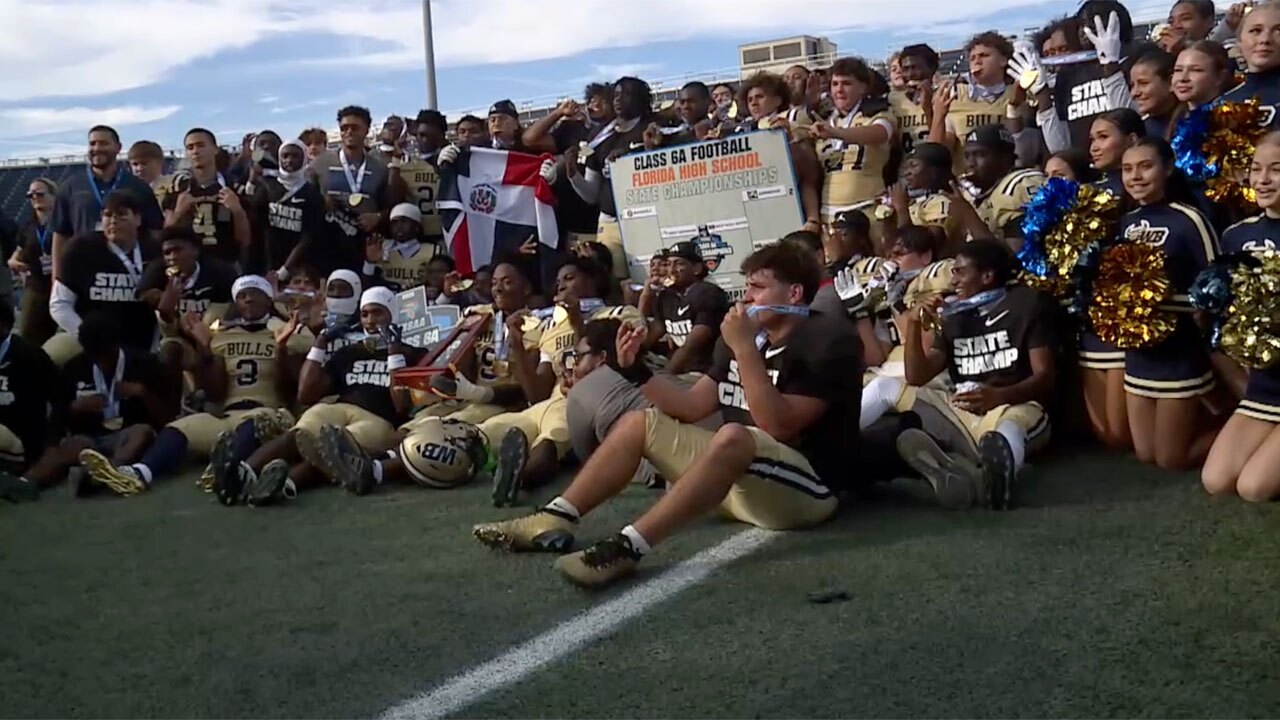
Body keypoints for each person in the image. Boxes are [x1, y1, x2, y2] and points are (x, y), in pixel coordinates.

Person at [472, 243, 863, 589]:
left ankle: (627, 547)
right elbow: (691, 406)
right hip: (743, 483)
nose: (746, 298)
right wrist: (636, 370)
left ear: (793, 293)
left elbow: (777, 425)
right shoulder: (745, 339)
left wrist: (745, 351)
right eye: (746, 287)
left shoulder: (826, 340)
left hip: (809, 493)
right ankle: (556, 515)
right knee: (640, 423)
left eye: (757, 288)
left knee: (734, 435)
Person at [83, 275, 309, 494]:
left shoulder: (287, 332)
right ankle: (140, 473)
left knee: (256, 422)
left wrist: (281, 348)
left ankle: (225, 471)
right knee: (179, 428)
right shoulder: (221, 336)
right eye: (242, 295)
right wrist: (205, 350)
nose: (248, 299)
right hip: (229, 415)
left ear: (269, 300)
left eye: (255, 293)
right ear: (235, 303)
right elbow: (215, 393)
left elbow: (290, 388)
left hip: (271, 413)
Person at [893, 239, 1056, 510]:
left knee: (1008, 430)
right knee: (888, 388)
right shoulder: (955, 314)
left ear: (987, 276)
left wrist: (999, 395)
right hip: (962, 411)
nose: (953, 279)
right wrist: (912, 324)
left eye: (959, 271)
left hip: (1012, 405)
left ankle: (990, 481)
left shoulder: (1025, 304)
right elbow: (917, 376)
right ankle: (842, 456)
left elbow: (1045, 376)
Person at [472, 257, 645, 504]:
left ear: (592, 280)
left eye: (569, 278)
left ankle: (518, 480)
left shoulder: (620, 314)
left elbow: (620, 362)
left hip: (582, 404)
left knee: (549, 441)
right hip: (545, 404)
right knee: (479, 433)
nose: (561, 286)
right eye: (558, 282)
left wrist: (578, 323)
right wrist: (518, 346)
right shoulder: (552, 327)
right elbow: (536, 394)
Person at [225, 287, 422, 498]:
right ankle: (238, 475)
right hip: (338, 408)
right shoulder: (348, 352)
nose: (370, 320)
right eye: (364, 314)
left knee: (334, 449)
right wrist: (320, 343)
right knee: (300, 435)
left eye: (377, 312)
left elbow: (402, 406)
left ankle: (282, 485)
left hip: (379, 418)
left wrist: (394, 352)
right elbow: (306, 395)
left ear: (392, 314)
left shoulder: (414, 353)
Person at [1117, 138, 1220, 470]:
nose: (1136, 176)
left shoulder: (1190, 219)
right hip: (1139, 353)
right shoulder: (1124, 222)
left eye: (1146, 166)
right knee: (1147, 455)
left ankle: (1238, 430)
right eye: (1128, 169)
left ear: (1168, 168)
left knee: (1171, 459)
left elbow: (1217, 282)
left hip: (1179, 347)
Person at [1202, 132, 1280, 502]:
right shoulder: (1236, 236)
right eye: (1255, 169)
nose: (1263, 180)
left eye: (1276, 170)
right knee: (1217, 482)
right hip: (1265, 387)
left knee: (1254, 488)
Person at [48, 312, 175, 497]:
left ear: (116, 346)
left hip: (128, 434)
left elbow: (168, 420)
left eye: (107, 355)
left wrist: (143, 393)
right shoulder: (73, 368)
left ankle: (109, 472)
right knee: (72, 445)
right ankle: (33, 481)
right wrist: (74, 408)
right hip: (89, 438)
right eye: (95, 357)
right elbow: (57, 418)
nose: (102, 363)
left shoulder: (145, 364)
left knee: (142, 432)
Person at [48, 190, 162, 366]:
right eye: (107, 215)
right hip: (88, 339)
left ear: (138, 219)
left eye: (121, 214)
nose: (113, 220)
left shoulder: (155, 251)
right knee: (52, 355)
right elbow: (59, 304)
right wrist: (86, 336)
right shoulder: (81, 249)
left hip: (144, 340)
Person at [564, 77, 654, 283]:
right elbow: (591, 194)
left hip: (646, 216)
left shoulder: (652, 128)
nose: (619, 99)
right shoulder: (599, 135)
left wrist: (641, 153)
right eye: (616, 94)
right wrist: (573, 175)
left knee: (650, 279)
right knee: (613, 280)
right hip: (610, 220)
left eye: (627, 94)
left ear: (642, 99)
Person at [49, 125, 164, 281]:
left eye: (103, 143)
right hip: (83, 270)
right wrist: (57, 277)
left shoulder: (138, 187)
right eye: (92, 143)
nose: (96, 148)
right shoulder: (71, 186)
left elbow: (154, 231)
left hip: (127, 271)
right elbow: (61, 234)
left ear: (118, 148)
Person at [813, 57, 896, 250]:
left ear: (863, 87)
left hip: (867, 210)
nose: (839, 90)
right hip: (829, 216)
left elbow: (880, 133)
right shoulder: (823, 119)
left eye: (847, 83)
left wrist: (835, 132)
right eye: (834, 84)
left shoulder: (877, 113)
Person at [310, 106, 398, 276]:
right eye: (344, 128)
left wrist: (378, 217)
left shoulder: (380, 166)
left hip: (364, 245)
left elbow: (393, 207)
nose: (349, 132)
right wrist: (322, 202)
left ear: (367, 130)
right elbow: (306, 201)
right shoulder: (319, 164)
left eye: (355, 128)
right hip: (326, 242)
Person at [734, 72, 823, 232]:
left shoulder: (792, 120)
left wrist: (812, 218)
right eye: (749, 100)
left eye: (760, 97)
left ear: (778, 100)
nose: (754, 103)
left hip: (792, 205)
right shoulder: (742, 130)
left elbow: (809, 176)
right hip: (759, 209)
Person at [0, 301, 68, 502]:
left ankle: (20, 480)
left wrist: (52, 441)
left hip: (21, 441)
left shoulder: (29, 356)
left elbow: (60, 399)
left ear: (3, 325)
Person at [931, 32, 1017, 178]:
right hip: (968, 185)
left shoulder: (1019, 93)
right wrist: (939, 115)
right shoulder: (956, 97)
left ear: (1003, 60)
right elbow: (937, 155)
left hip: (1008, 181)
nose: (977, 61)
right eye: (972, 58)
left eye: (984, 55)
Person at [162, 128, 252, 267]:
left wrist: (237, 211)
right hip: (188, 266)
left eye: (200, 145)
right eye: (190, 147)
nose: (195, 151)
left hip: (225, 264)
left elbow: (244, 240)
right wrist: (178, 213)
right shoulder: (178, 188)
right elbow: (166, 235)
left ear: (215, 149)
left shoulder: (233, 187)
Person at [947, 125, 1045, 247]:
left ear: (1006, 158)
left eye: (980, 154)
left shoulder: (1021, 185)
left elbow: (1018, 257)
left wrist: (968, 215)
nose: (971, 163)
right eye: (967, 156)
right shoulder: (977, 192)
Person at [646, 241, 729, 376]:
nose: (671, 270)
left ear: (697, 268)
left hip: (708, 371)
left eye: (679, 264)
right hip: (683, 369)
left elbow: (692, 346)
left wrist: (667, 377)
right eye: (668, 264)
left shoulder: (708, 293)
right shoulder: (665, 295)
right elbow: (658, 327)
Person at [248, 138, 325, 276]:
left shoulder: (311, 193)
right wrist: (251, 183)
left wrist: (286, 269)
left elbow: (309, 236)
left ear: (304, 159)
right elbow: (253, 219)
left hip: (298, 267)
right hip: (267, 261)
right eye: (285, 156)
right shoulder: (267, 186)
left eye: (295, 156)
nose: (289, 160)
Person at [9, 178, 59, 345]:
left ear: (53, 195)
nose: (34, 197)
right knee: (28, 336)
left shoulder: (65, 222)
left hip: (63, 286)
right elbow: (17, 254)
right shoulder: (28, 227)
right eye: (30, 195)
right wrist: (14, 262)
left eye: (39, 193)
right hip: (37, 287)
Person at [1221, 2, 1280, 131]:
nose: (1265, 39)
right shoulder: (1222, 103)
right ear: (1239, 42)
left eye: (1278, 31)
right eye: (1255, 30)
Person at [362, 203, 435, 292]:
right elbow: (366, 286)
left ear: (416, 226)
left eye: (404, 221)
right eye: (394, 222)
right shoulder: (381, 248)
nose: (399, 226)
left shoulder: (433, 251)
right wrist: (370, 262)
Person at [890, 44, 940, 157]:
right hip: (905, 169)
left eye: (916, 67)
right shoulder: (892, 101)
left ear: (932, 68)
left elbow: (943, 144)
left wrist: (927, 106)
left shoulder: (946, 96)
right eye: (905, 69)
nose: (910, 74)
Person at [1129, 49, 1179, 140]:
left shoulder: (1202, 122)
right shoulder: (1140, 133)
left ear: (1171, 82)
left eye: (1143, 83)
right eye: (1132, 85)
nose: (1134, 93)